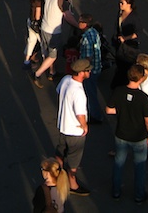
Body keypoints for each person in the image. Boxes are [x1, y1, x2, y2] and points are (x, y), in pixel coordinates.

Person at [106, 63, 148, 203]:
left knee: (118, 163)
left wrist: (121, 110)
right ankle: (139, 195)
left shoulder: (119, 91)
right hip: (139, 137)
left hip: (121, 134)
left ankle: (116, 191)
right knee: (140, 166)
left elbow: (109, 110)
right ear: (141, 78)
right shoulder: (143, 97)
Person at [32, 0, 79, 88]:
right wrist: (77, 25)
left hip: (44, 27)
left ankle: (52, 72)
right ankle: (37, 74)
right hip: (53, 32)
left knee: (47, 52)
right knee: (53, 55)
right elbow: (68, 16)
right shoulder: (61, 0)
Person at [55, 58, 92, 196]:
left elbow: (59, 91)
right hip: (74, 131)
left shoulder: (66, 79)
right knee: (74, 160)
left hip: (63, 126)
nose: (90, 71)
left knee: (60, 152)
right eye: (88, 70)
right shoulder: (79, 92)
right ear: (82, 73)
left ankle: (55, 174)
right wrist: (85, 126)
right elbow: (80, 114)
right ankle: (72, 183)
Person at [77, 13, 104, 124]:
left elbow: (88, 57)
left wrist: (81, 70)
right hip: (97, 67)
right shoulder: (94, 32)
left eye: (80, 22)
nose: (78, 23)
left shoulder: (86, 38)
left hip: (90, 71)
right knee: (91, 92)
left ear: (85, 24)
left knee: (90, 93)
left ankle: (96, 115)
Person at [111, 0, 140, 89]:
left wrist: (125, 38)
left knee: (126, 65)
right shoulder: (120, 13)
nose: (120, 4)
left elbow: (137, 33)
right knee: (119, 62)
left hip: (130, 46)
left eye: (122, 3)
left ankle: (122, 84)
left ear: (129, 4)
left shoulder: (134, 17)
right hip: (120, 44)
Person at [23, 0, 47, 69]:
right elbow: (38, 15)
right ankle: (46, 63)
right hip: (36, 25)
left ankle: (26, 60)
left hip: (30, 21)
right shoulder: (39, 1)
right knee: (43, 44)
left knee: (31, 41)